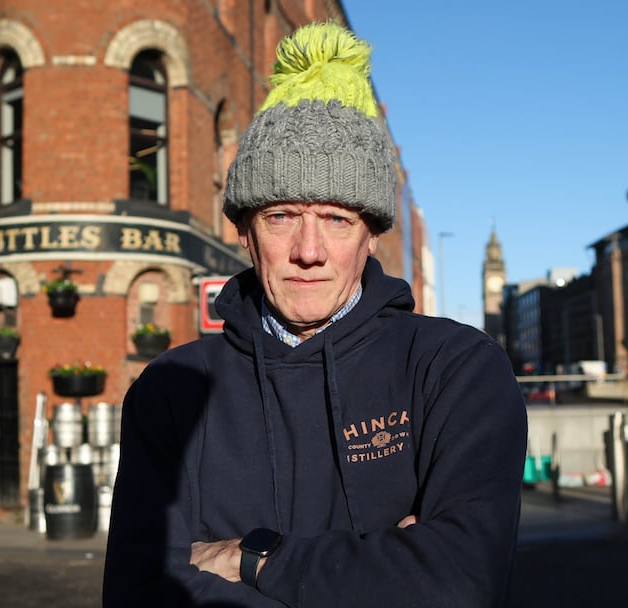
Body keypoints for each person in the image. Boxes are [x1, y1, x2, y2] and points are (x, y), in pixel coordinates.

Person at [103, 21, 527, 607]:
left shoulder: (455, 371)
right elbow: (141, 591)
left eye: (336, 219)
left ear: (371, 235)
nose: (308, 250)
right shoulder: (172, 392)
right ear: (246, 234)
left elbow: (458, 583)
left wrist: (245, 558)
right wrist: (387, 568)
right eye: (281, 216)